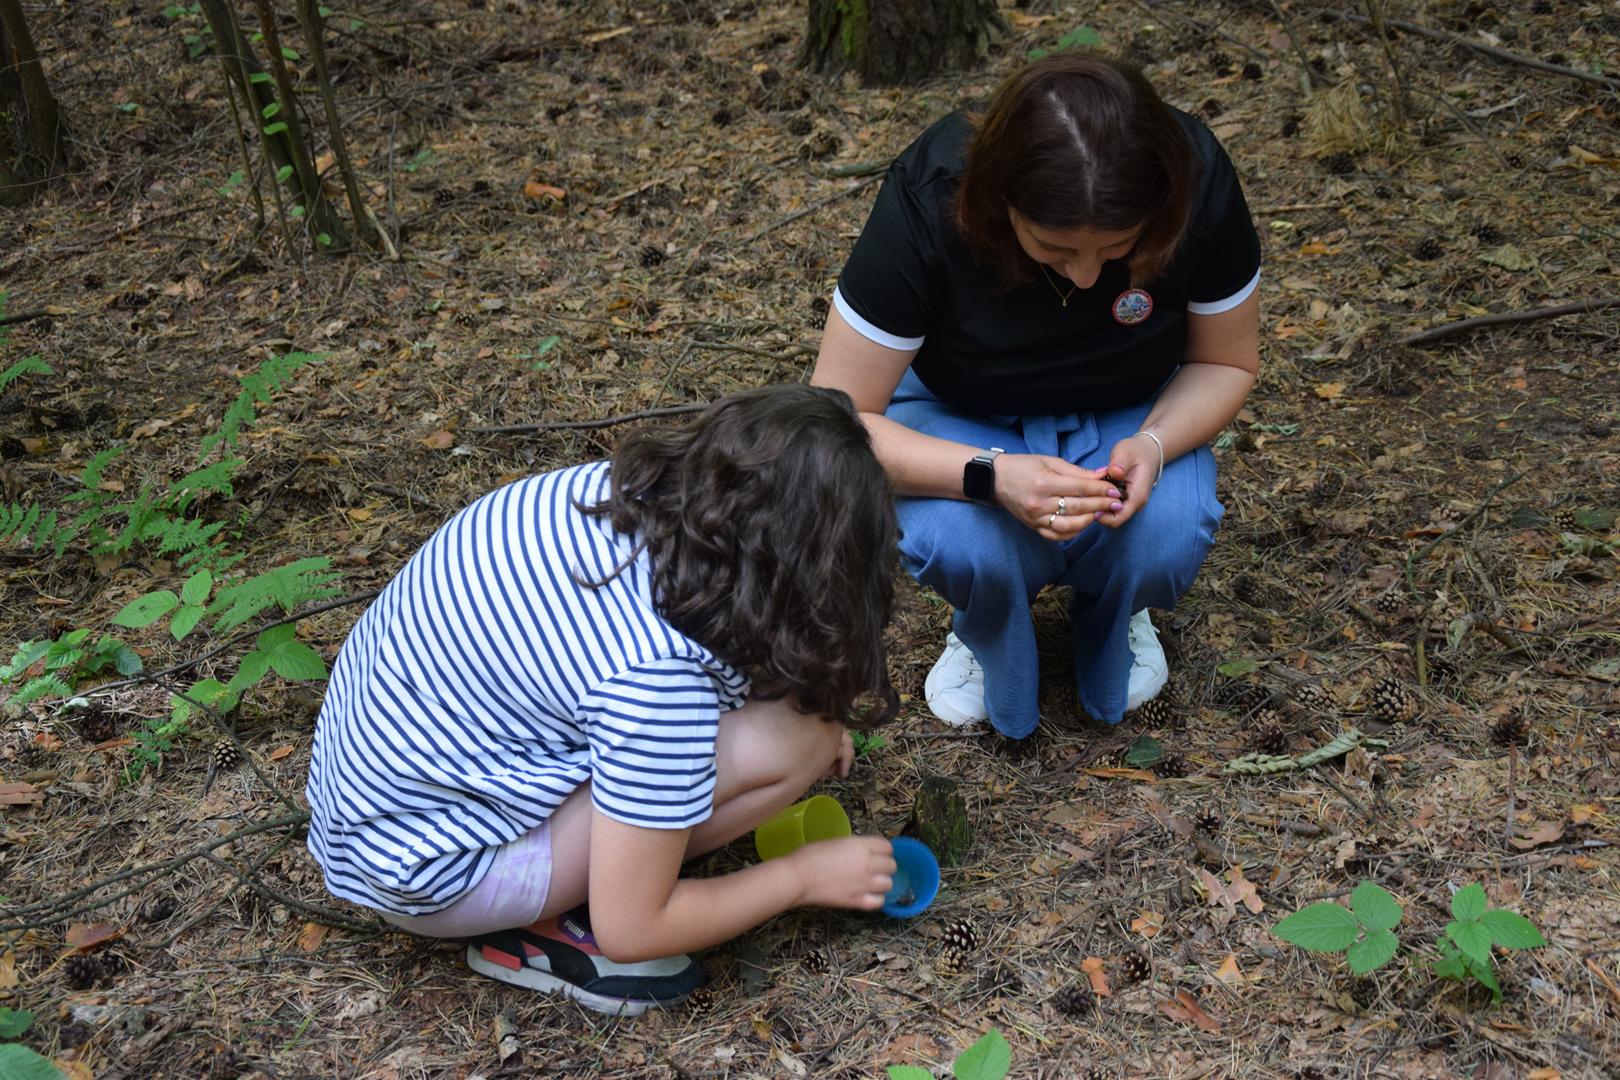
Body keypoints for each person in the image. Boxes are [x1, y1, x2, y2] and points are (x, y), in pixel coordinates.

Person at [304, 385, 900, 1015]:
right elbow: (634, 930)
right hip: (439, 873)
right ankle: (543, 931)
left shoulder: (619, 492)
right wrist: (802, 877)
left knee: (787, 723)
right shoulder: (658, 676)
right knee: (802, 737)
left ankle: (612, 857)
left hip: (373, 805)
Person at [810, 53, 1262, 740]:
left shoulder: (1195, 181)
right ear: (999, 199)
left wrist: (1154, 443)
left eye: (1119, 246)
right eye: (1054, 248)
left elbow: (1224, 361)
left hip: (1132, 405)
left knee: (1165, 528)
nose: (1086, 277)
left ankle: (1118, 610)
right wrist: (986, 474)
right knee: (968, 543)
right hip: (962, 411)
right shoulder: (931, 196)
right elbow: (838, 419)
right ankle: (984, 624)